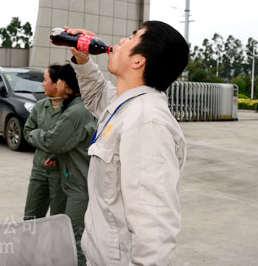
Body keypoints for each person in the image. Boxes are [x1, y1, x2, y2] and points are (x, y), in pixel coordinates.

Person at [66, 21, 189, 265]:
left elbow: (154, 228)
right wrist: (82, 59)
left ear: (138, 61)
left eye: (131, 38)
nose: (121, 41)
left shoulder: (147, 123)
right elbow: (97, 97)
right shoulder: (127, 105)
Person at [24, 64, 96, 266]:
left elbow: (52, 141)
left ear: (67, 84)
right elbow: (71, 143)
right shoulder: (76, 107)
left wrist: (37, 135)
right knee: (65, 234)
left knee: (72, 239)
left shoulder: (75, 112)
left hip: (78, 186)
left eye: (60, 80)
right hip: (73, 180)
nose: (56, 84)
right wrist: (56, 156)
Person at [22, 64, 67, 220]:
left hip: (61, 172)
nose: (42, 83)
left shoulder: (71, 110)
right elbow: (27, 131)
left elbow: (70, 139)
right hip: (39, 169)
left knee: (58, 220)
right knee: (31, 217)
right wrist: (47, 139)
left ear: (56, 83)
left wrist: (45, 139)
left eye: (45, 80)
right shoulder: (40, 106)